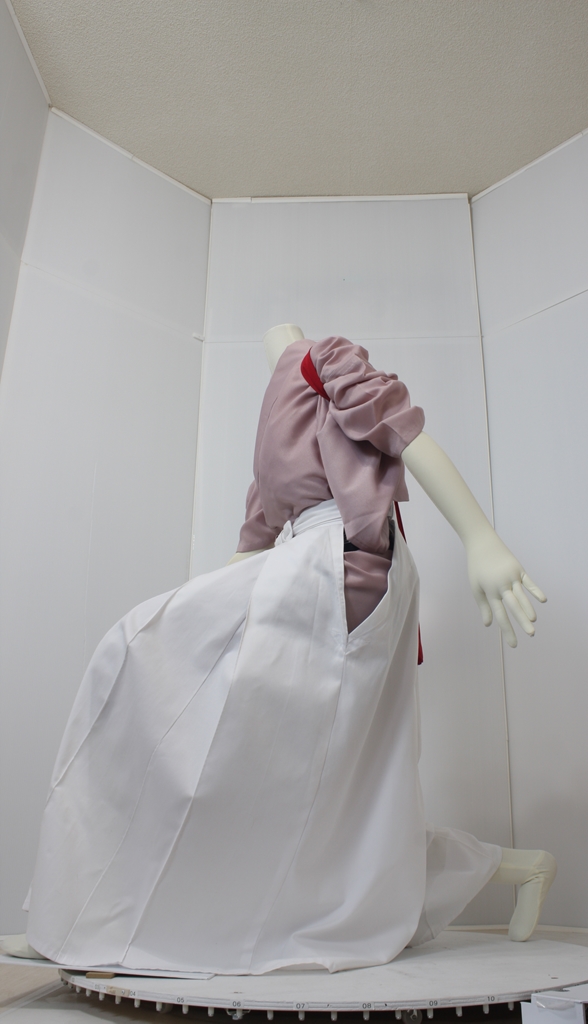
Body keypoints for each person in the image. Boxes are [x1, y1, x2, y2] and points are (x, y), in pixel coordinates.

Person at [11, 326, 555, 975]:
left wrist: (481, 539)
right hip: (306, 566)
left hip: (341, 569)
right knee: (328, 790)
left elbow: (403, 434)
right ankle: (81, 920)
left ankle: (90, 922)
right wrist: (195, 617)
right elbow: (256, 533)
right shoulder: (277, 407)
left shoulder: (322, 357)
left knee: (293, 769)